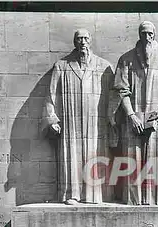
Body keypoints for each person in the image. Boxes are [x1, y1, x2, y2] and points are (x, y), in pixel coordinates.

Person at [109, 21, 158, 205]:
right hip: (133, 120)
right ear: (139, 35)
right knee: (133, 163)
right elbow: (121, 90)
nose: (147, 37)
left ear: (154, 35)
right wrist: (131, 115)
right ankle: (135, 200)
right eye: (143, 34)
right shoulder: (126, 60)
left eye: (150, 34)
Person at [42, 28, 114, 205]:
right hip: (70, 120)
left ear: (90, 41)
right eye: (79, 39)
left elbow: (114, 96)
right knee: (72, 156)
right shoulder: (62, 66)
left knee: (94, 154)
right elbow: (52, 94)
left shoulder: (103, 66)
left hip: (96, 121)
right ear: (75, 42)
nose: (82, 42)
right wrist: (52, 118)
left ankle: (95, 195)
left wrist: (113, 119)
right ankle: (72, 194)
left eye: (85, 38)